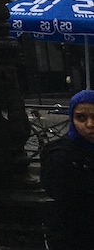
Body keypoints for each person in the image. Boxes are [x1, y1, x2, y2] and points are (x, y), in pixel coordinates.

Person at [41, 88, 94, 250]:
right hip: (74, 238)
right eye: (81, 118)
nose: (90, 124)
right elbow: (62, 206)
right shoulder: (60, 155)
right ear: (72, 118)